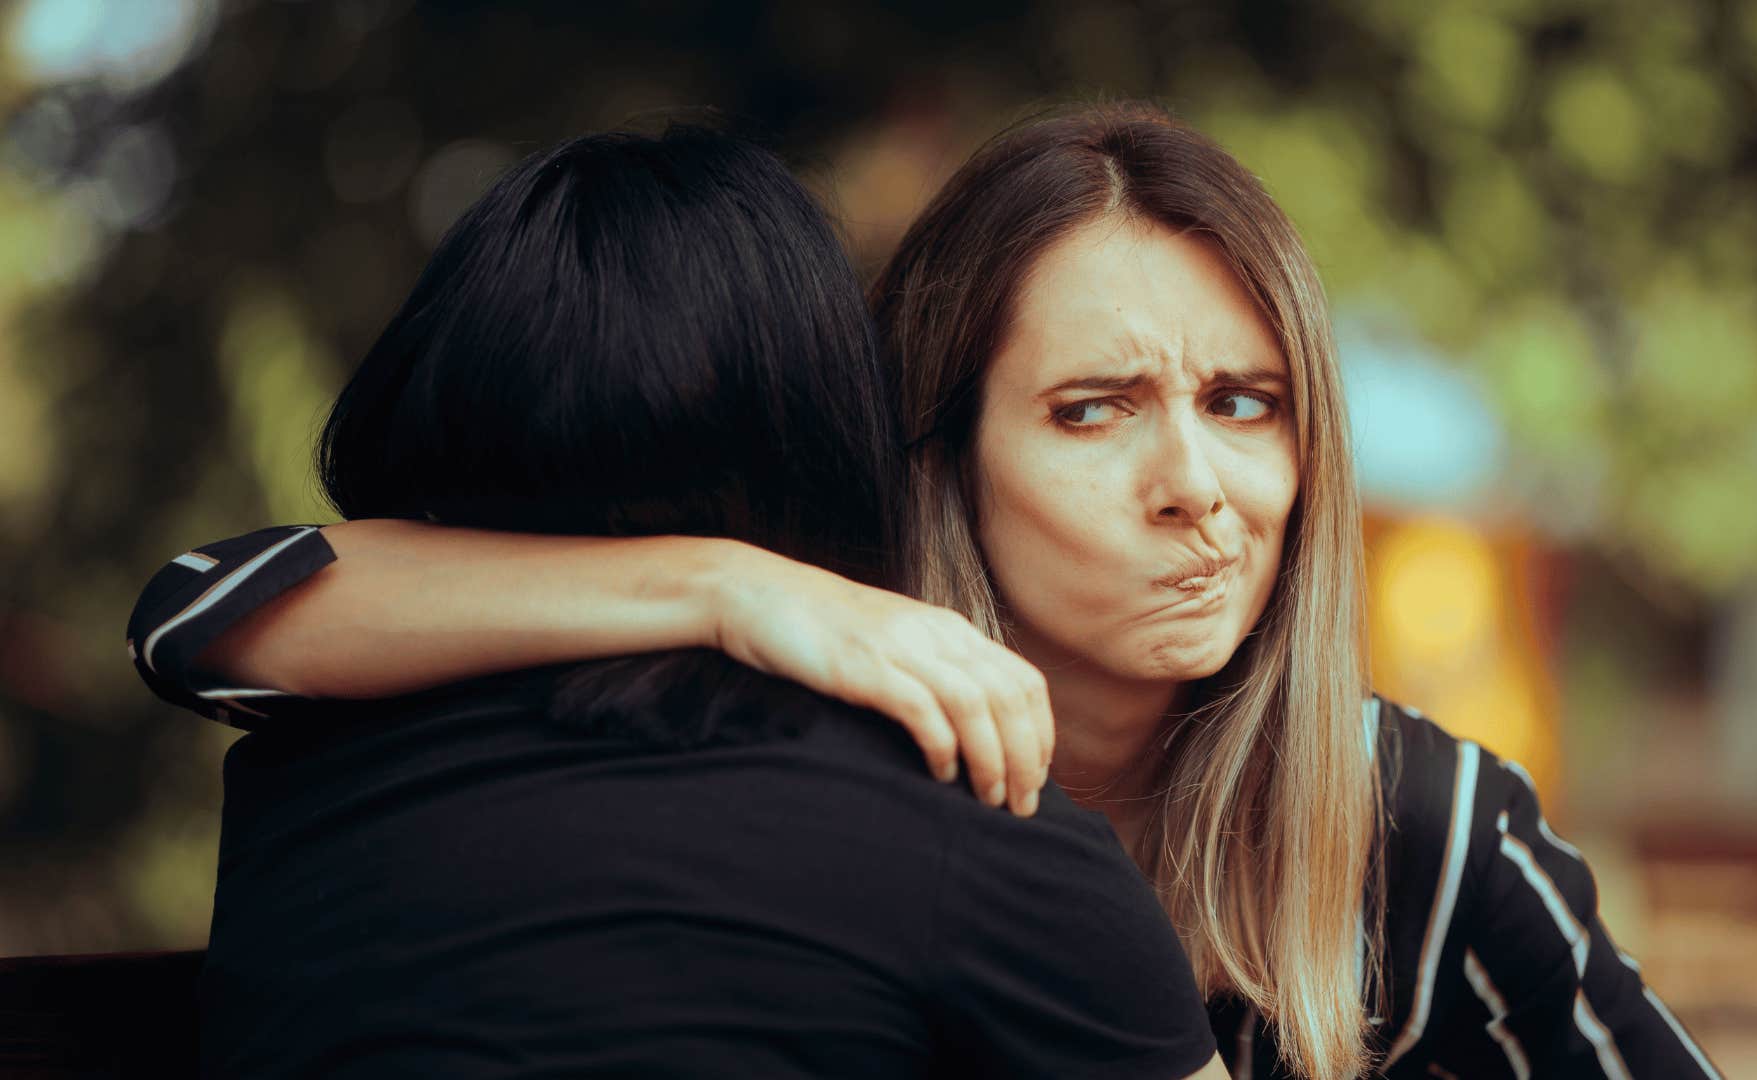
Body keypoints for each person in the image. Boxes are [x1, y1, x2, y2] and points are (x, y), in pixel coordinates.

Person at [130, 105, 1721, 1080]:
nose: (1199, 485)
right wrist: (727, 586)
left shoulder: (1416, 827)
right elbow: (205, 617)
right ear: (937, 452)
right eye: (1094, 409)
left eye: (1248, 402)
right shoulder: (798, 741)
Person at [134, 125, 1230, 1079]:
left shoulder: (305, 776)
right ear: (831, 432)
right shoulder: (987, 830)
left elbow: (189, 615)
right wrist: (723, 581)